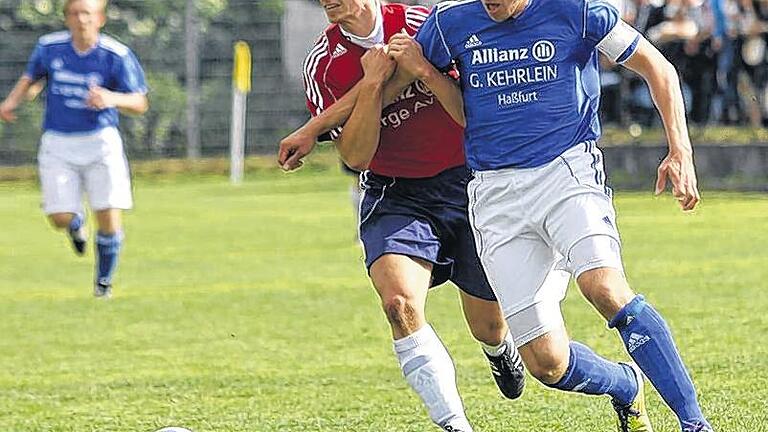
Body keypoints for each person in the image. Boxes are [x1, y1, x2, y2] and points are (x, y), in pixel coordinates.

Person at [405, 0, 712, 430]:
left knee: (604, 287)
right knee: (546, 363)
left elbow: (657, 67)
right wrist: (422, 73)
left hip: (567, 173)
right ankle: (625, 385)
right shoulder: (447, 23)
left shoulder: (579, 11)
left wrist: (680, 150)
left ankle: (694, 424)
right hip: (495, 195)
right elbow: (429, 97)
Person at [277, 1, 536, 430]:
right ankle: (454, 423)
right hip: (396, 193)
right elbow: (357, 156)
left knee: (488, 325)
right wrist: (374, 84)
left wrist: (315, 126)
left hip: (467, 182)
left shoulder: (425, 22)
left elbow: (470, 106)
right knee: (399, 304)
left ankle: (498, 349)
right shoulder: (322, 65)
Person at [0, 0, 148, 298]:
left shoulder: (116, 55)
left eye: (87, 14)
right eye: (75, 13)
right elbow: (32, 78)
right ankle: (75, 223)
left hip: (100, 142)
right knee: (59, 217)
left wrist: (110, 98)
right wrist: (11, 102)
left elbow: (140, 102)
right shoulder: (49, 47)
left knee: (108, 215)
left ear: (100, 18)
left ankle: (103, 285)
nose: (82, 20)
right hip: (59, 142)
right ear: (66, 18)